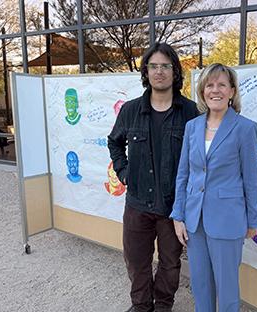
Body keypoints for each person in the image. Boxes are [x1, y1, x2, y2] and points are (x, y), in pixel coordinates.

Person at [108, 42, 198, 312]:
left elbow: (199, 156)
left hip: (173, 207)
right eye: (154, 66)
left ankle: (163, 305)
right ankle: (141, 305)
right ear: (146, 72)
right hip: (137, 203)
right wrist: (124, 173)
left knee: (171, 263)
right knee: (136, 261)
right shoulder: (130, 110)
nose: (159, 72)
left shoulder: (190, 112)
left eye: (165, 66)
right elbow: (114, 142)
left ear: (175, 71)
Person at [170, 63, 257, 312]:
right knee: (200, 284)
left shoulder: (245, 128)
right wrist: (178, 215)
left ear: (232, 91)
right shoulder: (192, 127)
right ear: (202, 92)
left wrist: (253, 220)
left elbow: (251, 179)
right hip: (194, 219)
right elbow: (183, 174)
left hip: (227, 219)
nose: (215, 90)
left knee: (227, 288)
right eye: (209, 85)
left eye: (222, 84)